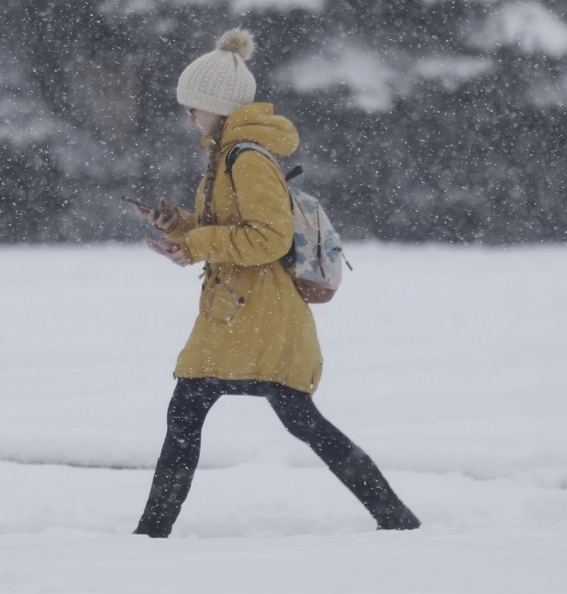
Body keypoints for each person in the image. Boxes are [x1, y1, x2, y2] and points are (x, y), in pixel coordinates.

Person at [128, 28, 420, 537]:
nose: (189, 118)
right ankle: (395, 518)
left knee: (265, 417)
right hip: (235, 310)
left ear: (217, 106)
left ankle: (151, 534)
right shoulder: (224, 158)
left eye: (193, 108)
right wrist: (179, 228)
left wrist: (197, 242)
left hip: (260, 313)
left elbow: (267, 239)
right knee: (244, 416)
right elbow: (226, 230)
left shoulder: (247, 159)